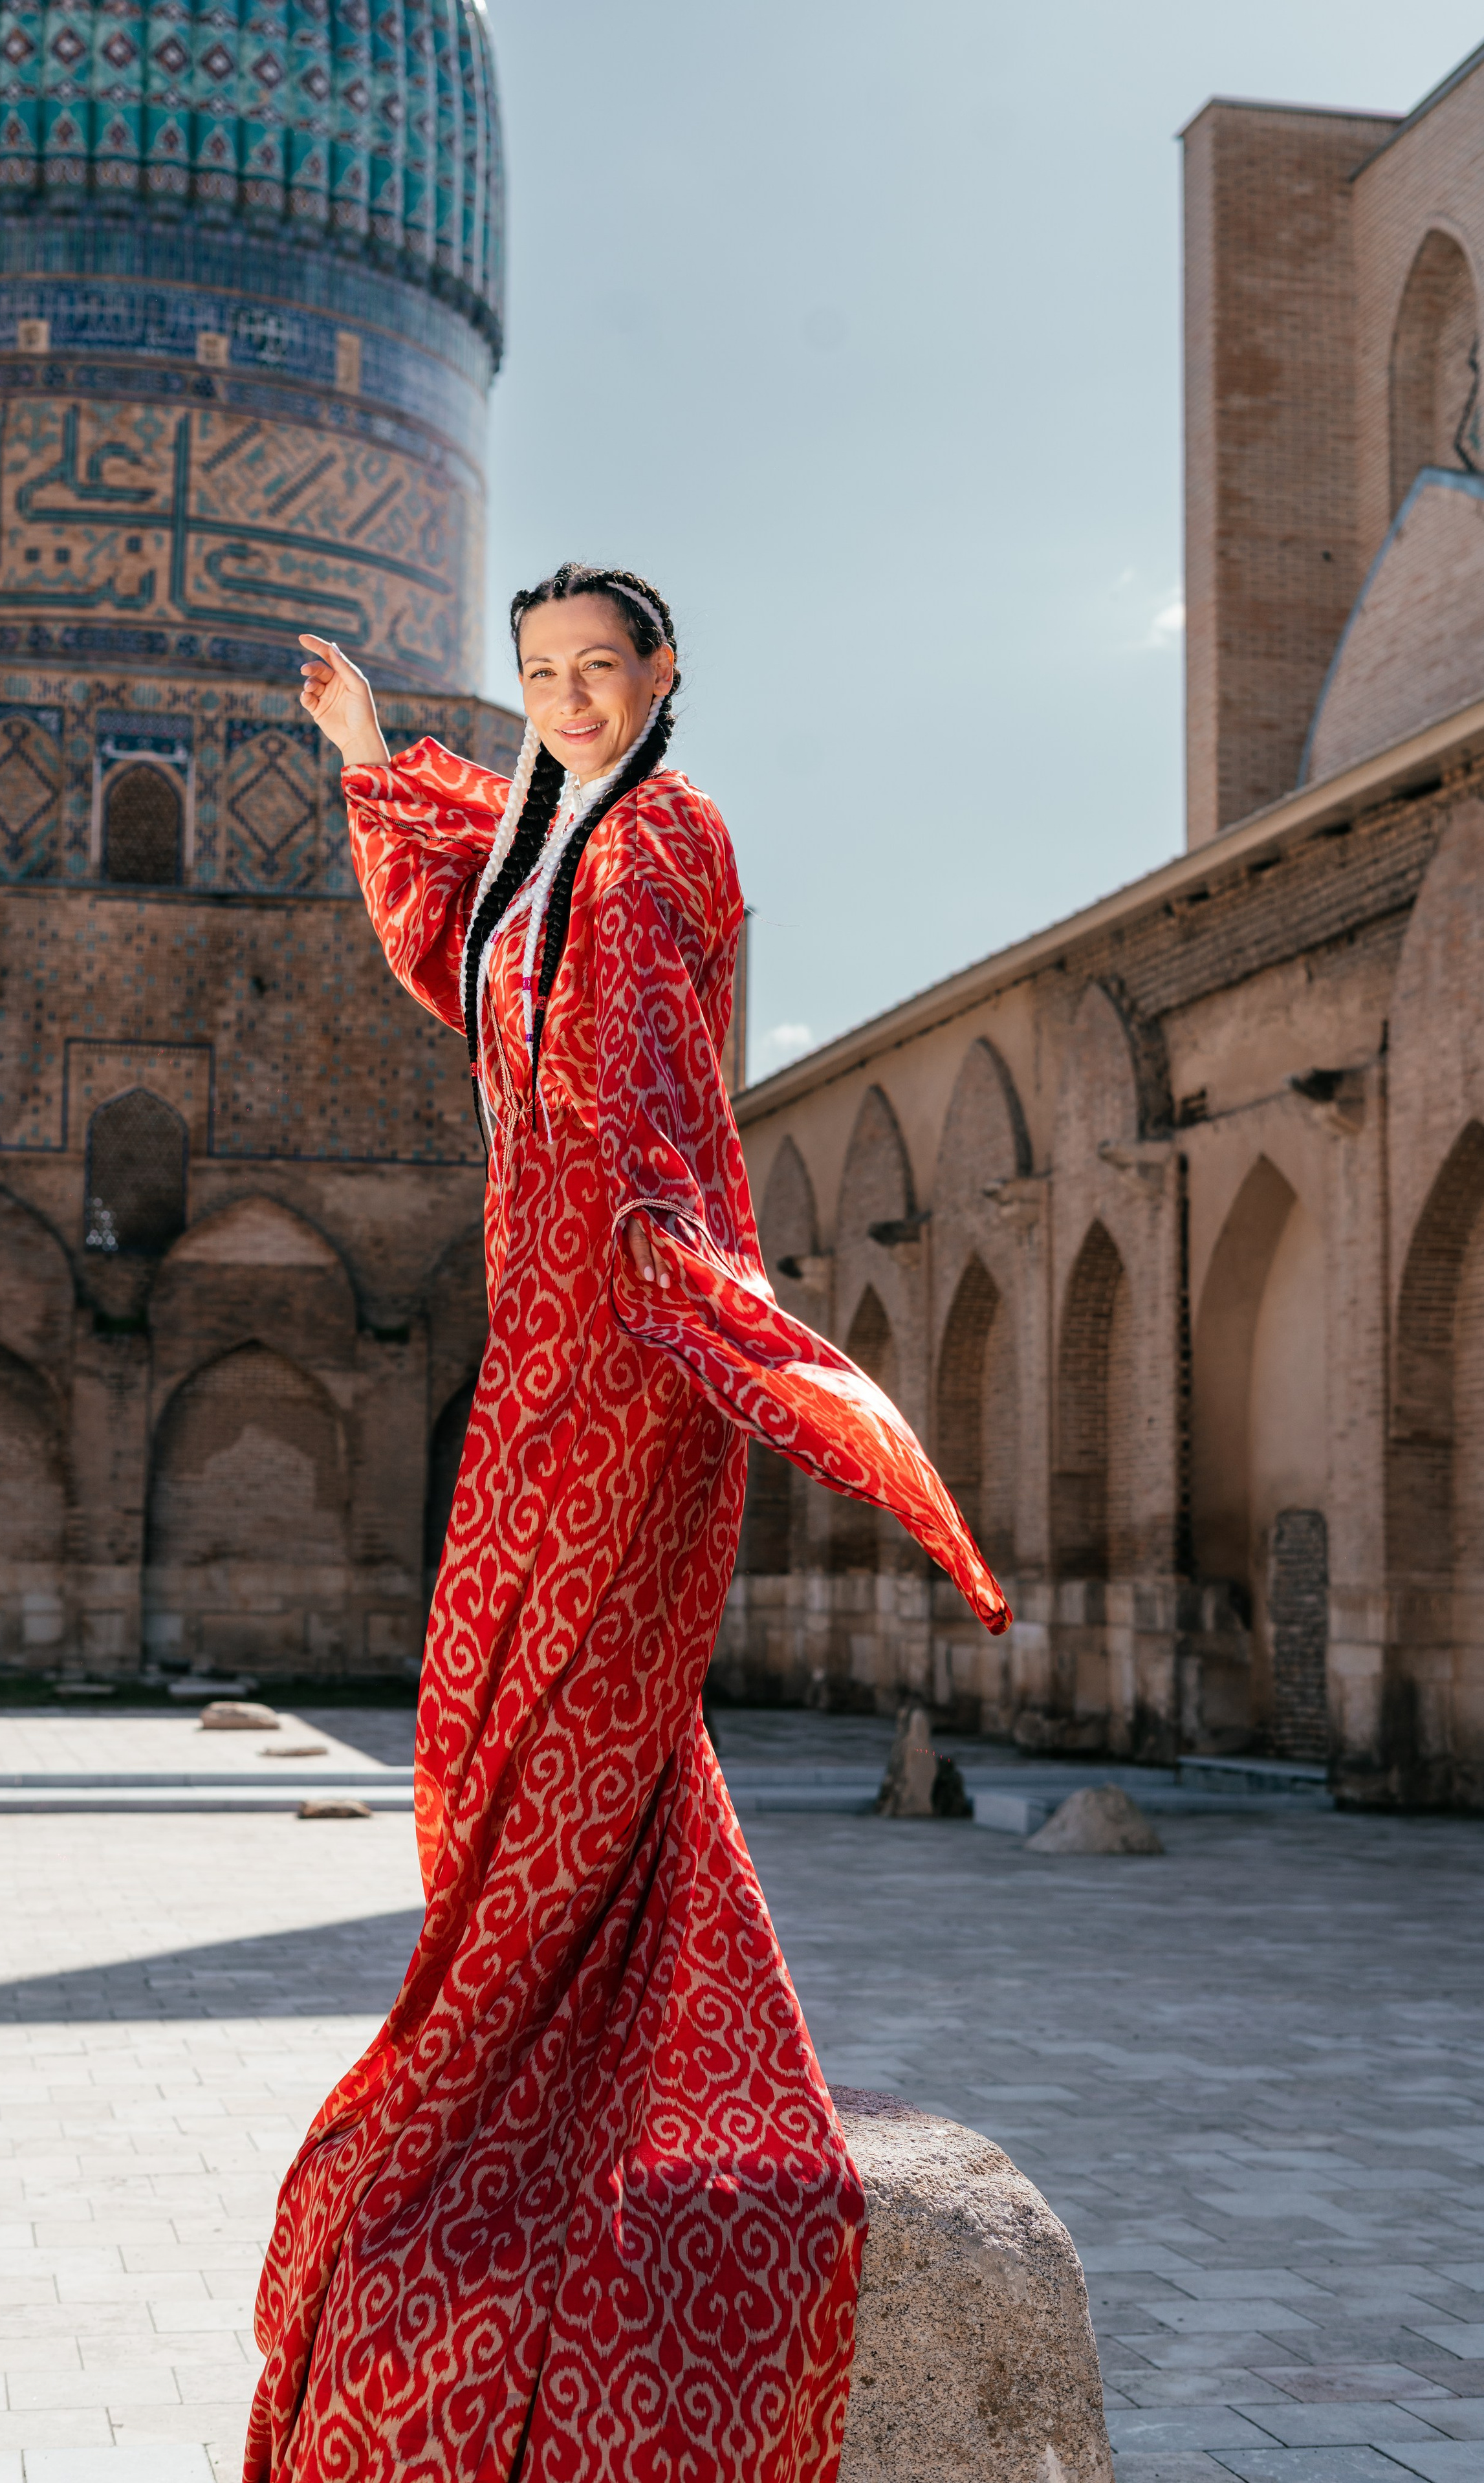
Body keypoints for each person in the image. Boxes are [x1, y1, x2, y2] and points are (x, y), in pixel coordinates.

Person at [245, 564, 1010, 2483]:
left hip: (632, 1319)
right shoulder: (546, 826)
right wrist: (369, 756)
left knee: (576, 1698)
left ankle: (518, 2078)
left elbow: (650, 1069)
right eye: (543, 678)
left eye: (602, 671)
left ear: (666, 677)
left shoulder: (671, 836)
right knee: (499, 1699)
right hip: (541, 1326)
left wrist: (678, 1263)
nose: (572, 701)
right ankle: (528, 2046)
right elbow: (463, 936)